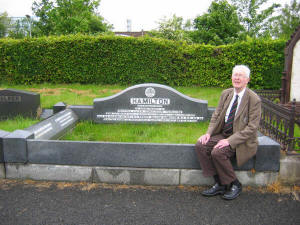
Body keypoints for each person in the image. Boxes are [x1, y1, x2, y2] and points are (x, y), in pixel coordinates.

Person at [195, 65, 261, 200]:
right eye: (235, 75)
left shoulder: (254, 99)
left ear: (247, 80)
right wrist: (208, 133)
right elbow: (216, 114)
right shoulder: (226, 93)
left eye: (240, 75)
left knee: (217, 152)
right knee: (201, 144)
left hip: (241, 139)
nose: (236, 78)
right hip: (224, 133)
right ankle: (219, 183)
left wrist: (229, 141)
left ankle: (235, 184)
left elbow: (252, 127)